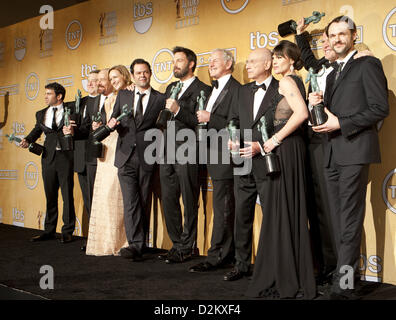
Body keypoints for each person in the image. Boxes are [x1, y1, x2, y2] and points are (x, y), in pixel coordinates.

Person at [310, 16, 389, 299]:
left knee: (349, 219)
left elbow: (380, 108)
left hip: (354, 151)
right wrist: (318, 108)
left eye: (342, 34)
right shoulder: (332, 74)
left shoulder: (368, 64)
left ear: (353, 36)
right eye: (332, 35)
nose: (337, 39)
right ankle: (345, 277)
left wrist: (341, 124)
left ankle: (344, 285)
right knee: (338, 221)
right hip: (331, 153)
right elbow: (332, 114)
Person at [245, 40, 316, 299]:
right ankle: (291, 272)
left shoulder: (286, 82)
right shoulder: (295, 80)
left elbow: (301, 114)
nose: (275, 62)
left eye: (279, 58)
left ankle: (284, 276)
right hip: (292, 149)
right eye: (273, 58)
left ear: (291, 59)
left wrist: (274, 140)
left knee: (282, 210)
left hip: (286, 149)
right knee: (286, 210)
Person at [224, 48, 279, 282]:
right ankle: (242, 263)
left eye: (253, 61)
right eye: (247, 61)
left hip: (268, 160)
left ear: (268, 64)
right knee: (242, 215)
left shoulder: (282, 87)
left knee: (272, 215)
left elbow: (284, 124)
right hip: (243, 160)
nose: (247, 65)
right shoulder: (242, 91)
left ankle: (273, 266)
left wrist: (263, 145)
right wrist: (233, 135)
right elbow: (233, 119)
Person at [107, 59, 165, 261]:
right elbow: (114, 119)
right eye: (138, 73)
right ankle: (135, 244)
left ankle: (141, 243)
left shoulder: (160, 98)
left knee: (142, 199)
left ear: (150, 74)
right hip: (125, 156)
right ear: (132, 76)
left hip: (147, 156)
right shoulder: (123, 94)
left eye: (145, 72)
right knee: (131, 201)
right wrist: (111, 123)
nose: (142, 75)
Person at [188, 49, 240, 273]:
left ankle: (219, 255)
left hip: (225, 156)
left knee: (224, 208)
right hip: (210, 154)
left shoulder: (236, 89)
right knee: (222, 207)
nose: (210, 64)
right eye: (209, 61)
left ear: (229, 63)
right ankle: (222, 252)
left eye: (215, 61)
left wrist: (212, 118)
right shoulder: (212, 90)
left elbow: (237, 121)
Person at [158, 46, 211, 264]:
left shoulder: (204, 90)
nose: (175, 64)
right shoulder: (171, 87)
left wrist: (179, 110)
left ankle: (188, 246)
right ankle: (177, 244)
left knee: (189, 200)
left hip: (189, 150)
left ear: (191, 64)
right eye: (174, 60)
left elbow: (201, 122)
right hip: (165, 150)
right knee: (169, 199)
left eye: (180, 60)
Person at [21, 82, 76, 244]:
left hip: (66, 157)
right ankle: (49, 230)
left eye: (49, 94)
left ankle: (67, 231)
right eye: (45, 93)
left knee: (67, 195)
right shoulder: (40, 114)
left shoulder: (72, 109)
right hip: (48, 158)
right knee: (50, 195)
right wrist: (27, 140)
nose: (45, 96)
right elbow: (36, 131)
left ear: (59, 96)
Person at [85, 66, 131, 256]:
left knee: (115, 196)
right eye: (108, 79)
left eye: (113, 78)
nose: (109, 82)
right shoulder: (110, 99)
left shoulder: (128, 94)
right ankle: (104, 242)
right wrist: (99, 126)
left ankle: (120, 242)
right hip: (106, 149)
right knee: (103, 196)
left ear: (124, 77)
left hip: (118, 150)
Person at [72, 69, 100, 251]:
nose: (89, 84)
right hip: (80, 156)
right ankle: (91, 236)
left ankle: (99, 237)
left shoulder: (105, 102)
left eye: (94, 80)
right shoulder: (79, 102)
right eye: (88, 80)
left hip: (96, 155)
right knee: (88, 199)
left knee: (98, 198)